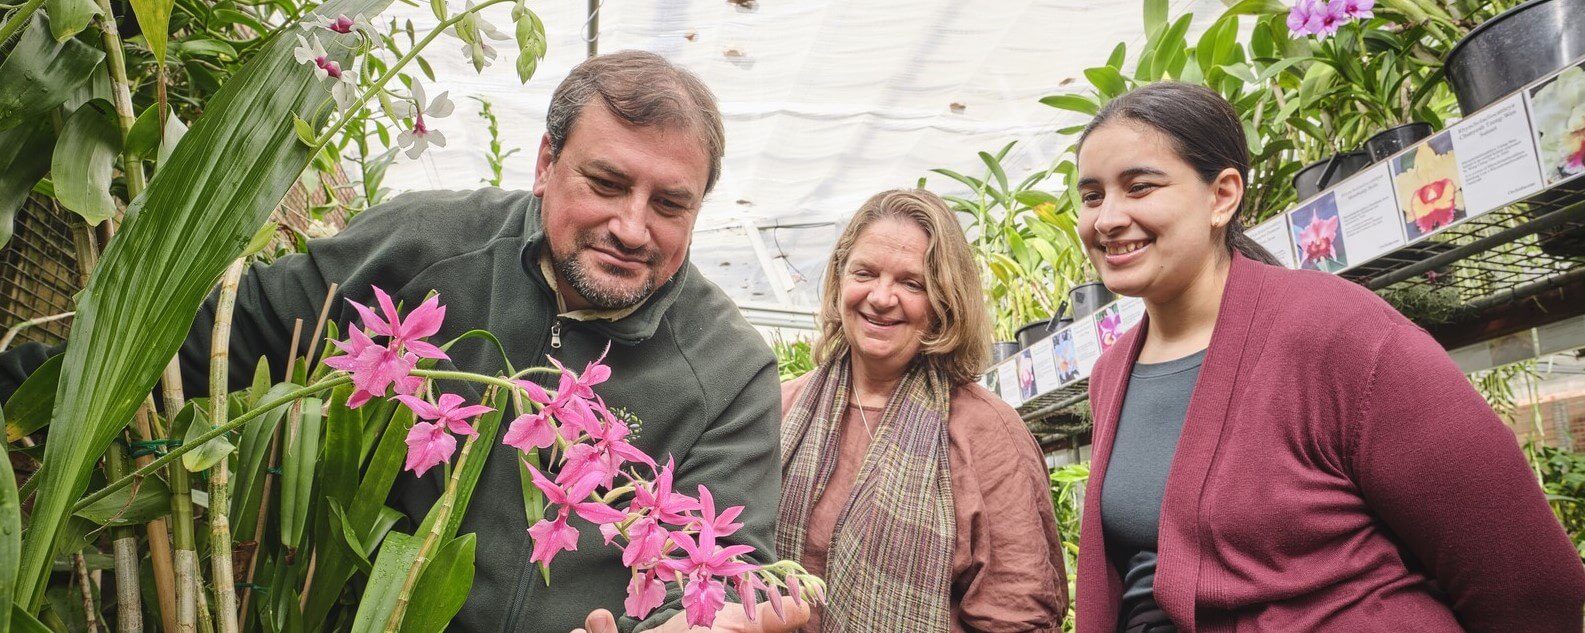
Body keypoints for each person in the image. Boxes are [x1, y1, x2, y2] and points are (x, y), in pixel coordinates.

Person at [1, 50, 801, 633]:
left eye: (669, 203)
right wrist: (23, 395)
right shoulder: (422, 248)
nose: (632, 227)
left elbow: (722, 566)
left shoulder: (730, 368)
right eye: (605, 183)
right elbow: (209, 345)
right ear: (546, 162)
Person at [1071, 81, 1585, 633]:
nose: (1107, 219)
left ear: (1222, 195)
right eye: (1093, 195)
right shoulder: (1112, 373)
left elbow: (1527, 577)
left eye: (1140, 187)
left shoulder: (1337, 333)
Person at [776, 189, 1069, 632]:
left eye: (911, 283)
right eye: (865, 273)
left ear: (945, 302)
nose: (881, 296)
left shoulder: (985, 432)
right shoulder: (781, 408)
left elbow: (1018, 612)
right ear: (840, 280)